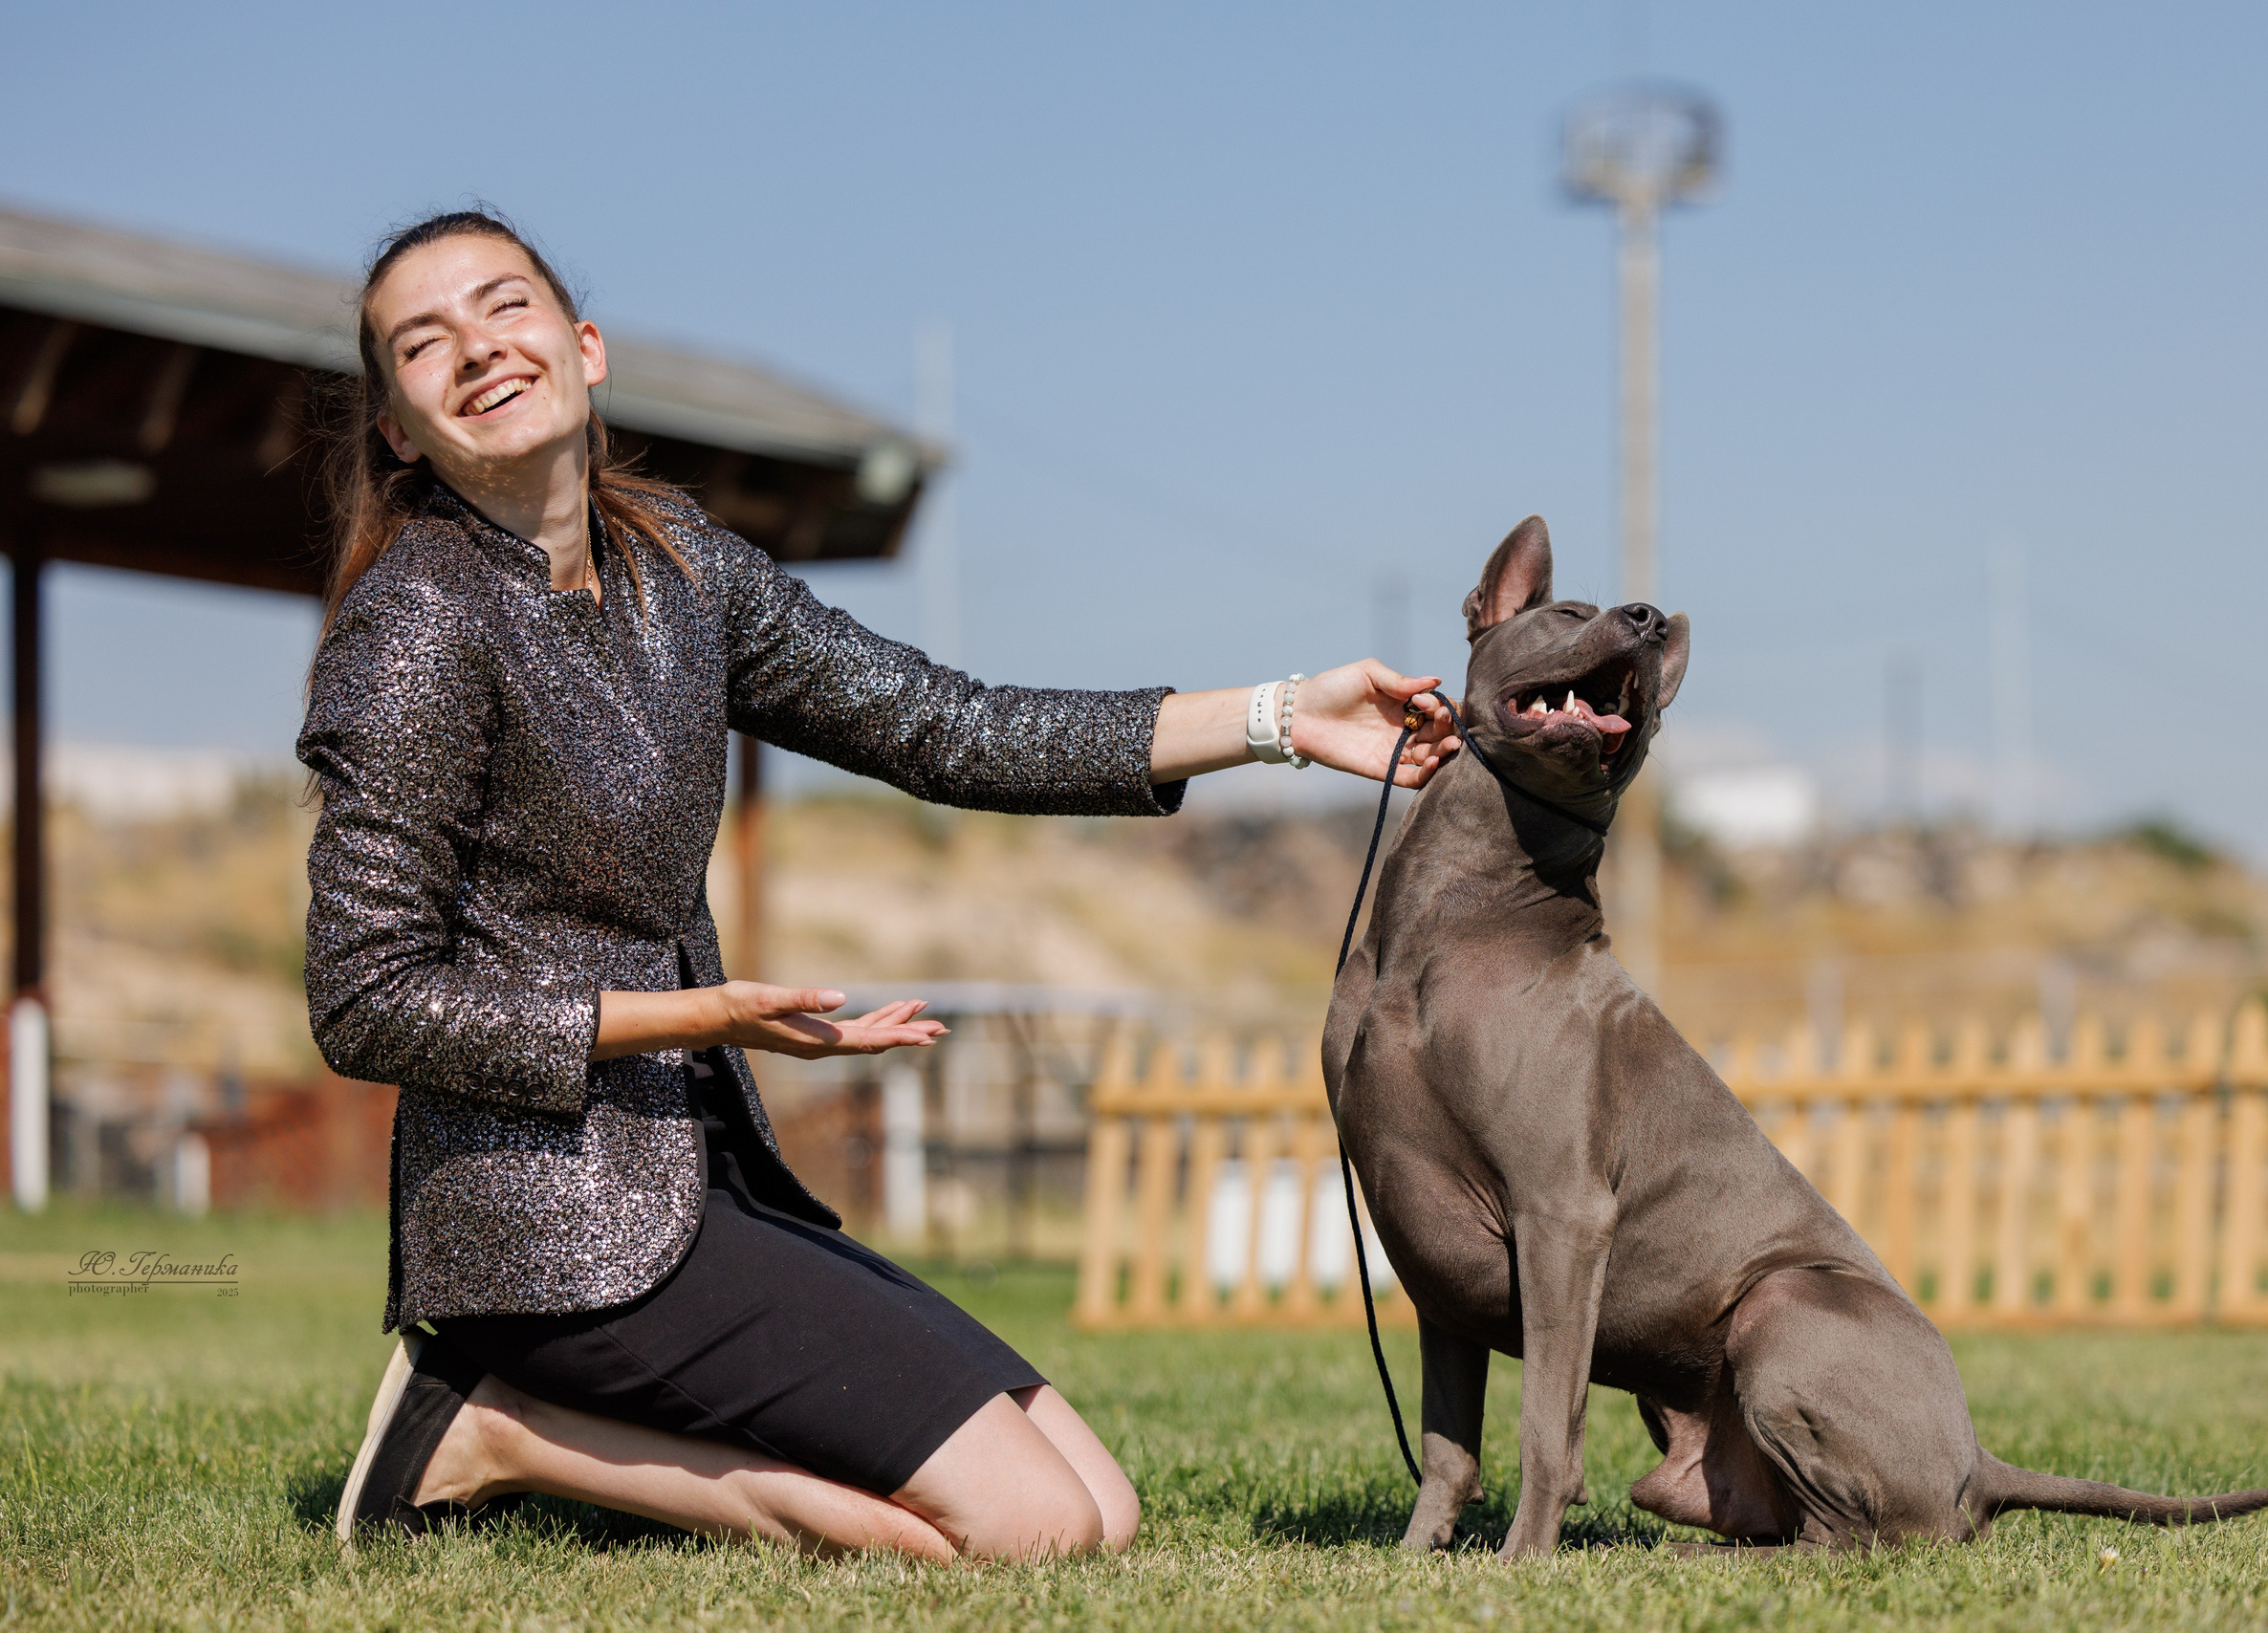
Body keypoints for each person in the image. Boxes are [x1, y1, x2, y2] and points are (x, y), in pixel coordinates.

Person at [308, 210, 1458, 1564]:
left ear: (586, 346)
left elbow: (949, 726)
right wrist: (698, 1018)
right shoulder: (417, 621)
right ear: (396, 425)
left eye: (506, 307)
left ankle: (514, 1427)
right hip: (534, 1229)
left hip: (698, 1181)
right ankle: (482, 1431)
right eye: (423, 343)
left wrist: (1280, 717)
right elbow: (365, 1001)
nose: (478, 350)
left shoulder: (681, 567)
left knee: (1104, 1508)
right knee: (1027, 1531)